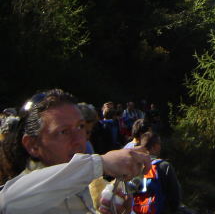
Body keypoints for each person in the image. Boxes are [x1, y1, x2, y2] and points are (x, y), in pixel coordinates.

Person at [0, 89, 151, 214]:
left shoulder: (83, 184)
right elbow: (8, 203)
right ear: (33, 145)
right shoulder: (20, 194)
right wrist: (101, 163)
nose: (80, 139)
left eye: (80, 127)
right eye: (64, 131)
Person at [132, 132, 182, 214]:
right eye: (159, 144)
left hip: (137, 210)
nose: (160, 146)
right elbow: (174, 195)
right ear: (154, 146)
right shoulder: (163, 166)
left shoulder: (135, 166)